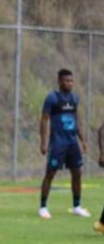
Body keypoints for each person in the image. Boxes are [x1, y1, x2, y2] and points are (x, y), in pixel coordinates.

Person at [37, 69, 90, 219]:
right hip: (58, 143)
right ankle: (43, 207)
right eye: (67, 81)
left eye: (71, 81)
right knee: (50, 173)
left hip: (72, 143)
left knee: (77, 173)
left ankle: (77, 206)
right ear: (60, 81)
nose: (70, 83)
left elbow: (76, 119)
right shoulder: (52, 98)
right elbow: (44, 119)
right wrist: (43, 142)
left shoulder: (74, 98)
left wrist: (83, 140)